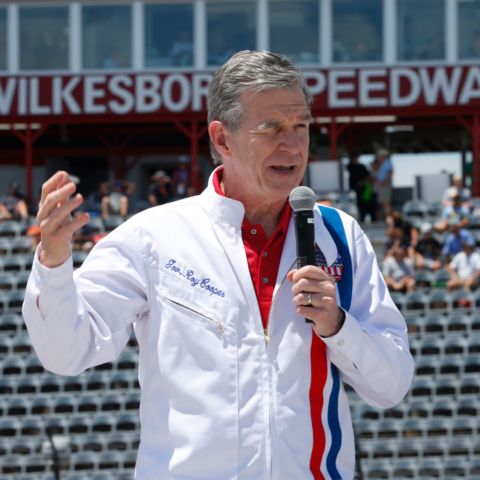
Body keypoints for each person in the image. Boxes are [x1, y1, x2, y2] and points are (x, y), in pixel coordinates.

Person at [23, 50, 414, 479]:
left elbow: (391, 385)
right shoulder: (155, 236)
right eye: (272, 128)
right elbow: (65, 351)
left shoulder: (340, 236)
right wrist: (55, 262)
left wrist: (338, 326)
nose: (292, 144)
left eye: (301, 126)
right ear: (222, 138)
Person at [346, 155, 376, 222]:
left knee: (366, 205)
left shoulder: (361, 167)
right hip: (354, 190)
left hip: (364, 190)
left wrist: (362, 183)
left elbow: (367, 177)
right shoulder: (349, 167)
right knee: (357, 205)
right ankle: (360, 219)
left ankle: (364, 218)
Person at [372, 148, 394, 220]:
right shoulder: (380, 163)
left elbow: (390, 172)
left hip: (385, 185)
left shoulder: (388, 162)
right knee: (382, 203)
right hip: (380, 186)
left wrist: (385, 181)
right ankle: (387, 218)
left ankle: (389, 219)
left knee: (386, 203)